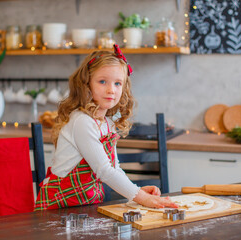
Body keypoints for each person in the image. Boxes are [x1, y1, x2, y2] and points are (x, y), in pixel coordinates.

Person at [34, 44, 178, 210]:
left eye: (117, 83)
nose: (111, 90)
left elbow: (114, 168)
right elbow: (104, 171)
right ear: (86, 84)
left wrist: (137, 192)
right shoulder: (82, 121)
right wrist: (142, 198)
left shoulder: (107, 123)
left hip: (84, 208)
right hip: (58, 208)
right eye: (102, 81)